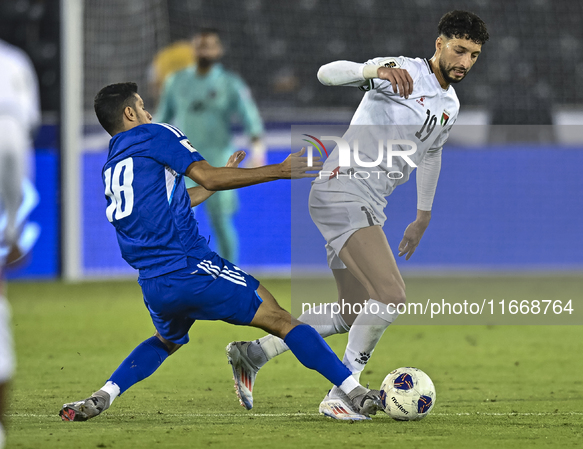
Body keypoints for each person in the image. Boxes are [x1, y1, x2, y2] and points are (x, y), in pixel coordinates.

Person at [59, 82, 383, 422]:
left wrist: (215, 180)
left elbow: (178, 200)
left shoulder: (113, 163)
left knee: (166, 340)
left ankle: (103, 395)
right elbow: (209, 177)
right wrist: (278, 170)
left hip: (154, 285)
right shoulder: (156, 134)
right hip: (191, 267)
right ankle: (356, 393)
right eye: (141, 106)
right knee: (281, 320)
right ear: (129, 113)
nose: (148, 112)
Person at [227, 10, 489, 420]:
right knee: (392, 295)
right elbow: (326, 74)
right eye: (459, 50)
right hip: (342, 188)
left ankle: (255, 353)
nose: (465, 62)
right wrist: (375, 70)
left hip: (367, 199)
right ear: (439, 44)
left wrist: (423, 214)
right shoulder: (402, 71)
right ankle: (342, 391)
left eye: (473, 55)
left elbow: (432, 153)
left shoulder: (450, 104)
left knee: (353, 311)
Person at [154, 28, 265, 263]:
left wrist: (258, 148)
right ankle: (182, 272)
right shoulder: (176, 81)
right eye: (199, 45)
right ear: (193, 49)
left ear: (218, 50)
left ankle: (231, 272)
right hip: (183, 161)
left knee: (221, 221)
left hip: (218, 159)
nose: (203, 50)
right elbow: (161, 118)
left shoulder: (229, 83)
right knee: (180, 218)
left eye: (209, 46)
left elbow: (250, 116)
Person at [0, 38, 41, 447]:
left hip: (9, 127)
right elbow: (29, 116)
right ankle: (11, 237)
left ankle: (10, 238)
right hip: (13, 129)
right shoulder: (16, 57)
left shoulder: (16, 57)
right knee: (14, 202)